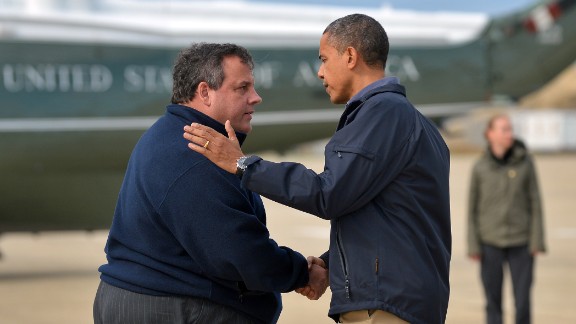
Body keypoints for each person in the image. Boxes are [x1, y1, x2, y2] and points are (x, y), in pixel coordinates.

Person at [183, 14, 451, 324]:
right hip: (396, 300)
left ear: (350, 56)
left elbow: (329, 193)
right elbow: (381, 218)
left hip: (387, 307)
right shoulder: (405, 119)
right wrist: (330, 265)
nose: (320, 72)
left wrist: (243, 164)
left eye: (324, 59)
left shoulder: (382, 112)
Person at [94, 43, 328, 324]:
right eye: (242, 88)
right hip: (169, 306)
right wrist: (302, 272)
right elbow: (239, 252)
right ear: (205, 92)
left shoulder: (172, 136)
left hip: (152, 299)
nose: (256, 98)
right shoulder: (192, 154)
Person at [467, 114, 546, 324]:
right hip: (489, 242)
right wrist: (473, 245)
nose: (509, 134)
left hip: (522, 242)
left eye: (510, 129)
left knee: (522, 302)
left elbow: (536, 202)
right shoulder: (479, 167)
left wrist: (537, 240)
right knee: (493, 302)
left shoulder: (526, 163)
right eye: (504, 129)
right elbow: (472, 209)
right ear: (490, 134)